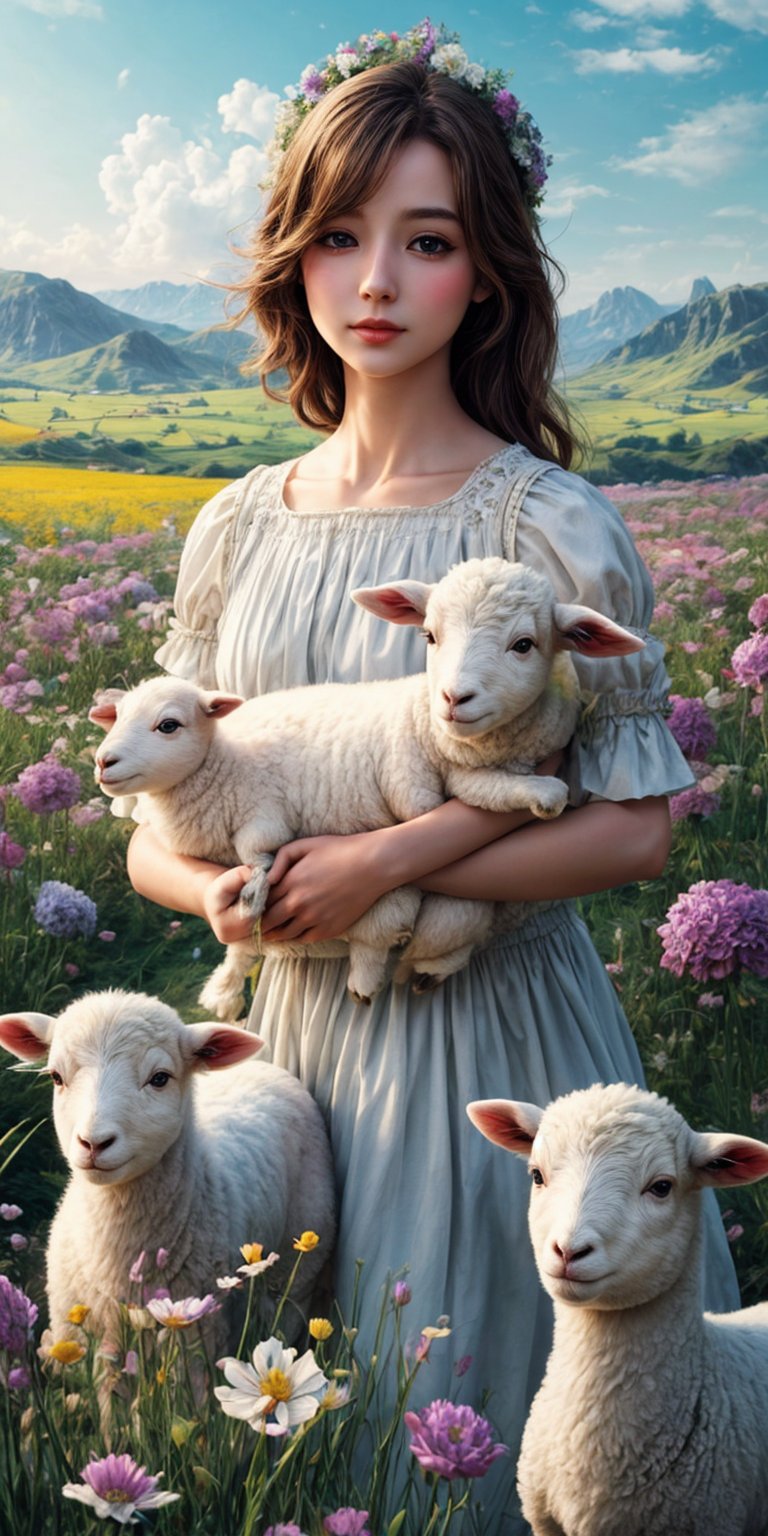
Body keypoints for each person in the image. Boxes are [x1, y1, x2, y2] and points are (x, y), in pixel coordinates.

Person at [123, 24, 738, 1531]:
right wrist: (228, 891)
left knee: (483, 1438)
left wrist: (387, 863)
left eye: (429, 239)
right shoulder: (238, 528)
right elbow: (152, 840)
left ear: (490, 272)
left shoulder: (554, 530)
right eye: (340, 236)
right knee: (273, 1450)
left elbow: (634, 833)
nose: (377, 281)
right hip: (275, 1060)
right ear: (295, 257)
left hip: (491, 1050)